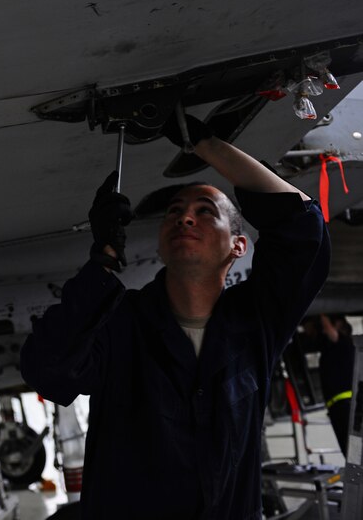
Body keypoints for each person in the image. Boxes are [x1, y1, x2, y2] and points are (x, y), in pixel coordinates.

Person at [21, 124, 330, 519]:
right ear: (162, 241)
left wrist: (205, 143)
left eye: (205, 211)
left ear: (239, 245)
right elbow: (47, 371)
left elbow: (303, 226)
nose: (185, 218)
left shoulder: (255, 322)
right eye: (175, 213)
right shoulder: (120, 323)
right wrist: (101, 261)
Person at [311, 313, 355, 456]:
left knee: (352, 450)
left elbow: (331, 332)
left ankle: (357, 474)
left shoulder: (345, 343)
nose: (323, 332)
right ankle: (356, 474)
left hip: (345, 406)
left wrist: (323, 314)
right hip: (338, 407)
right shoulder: (333, 349)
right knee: (349, 450)